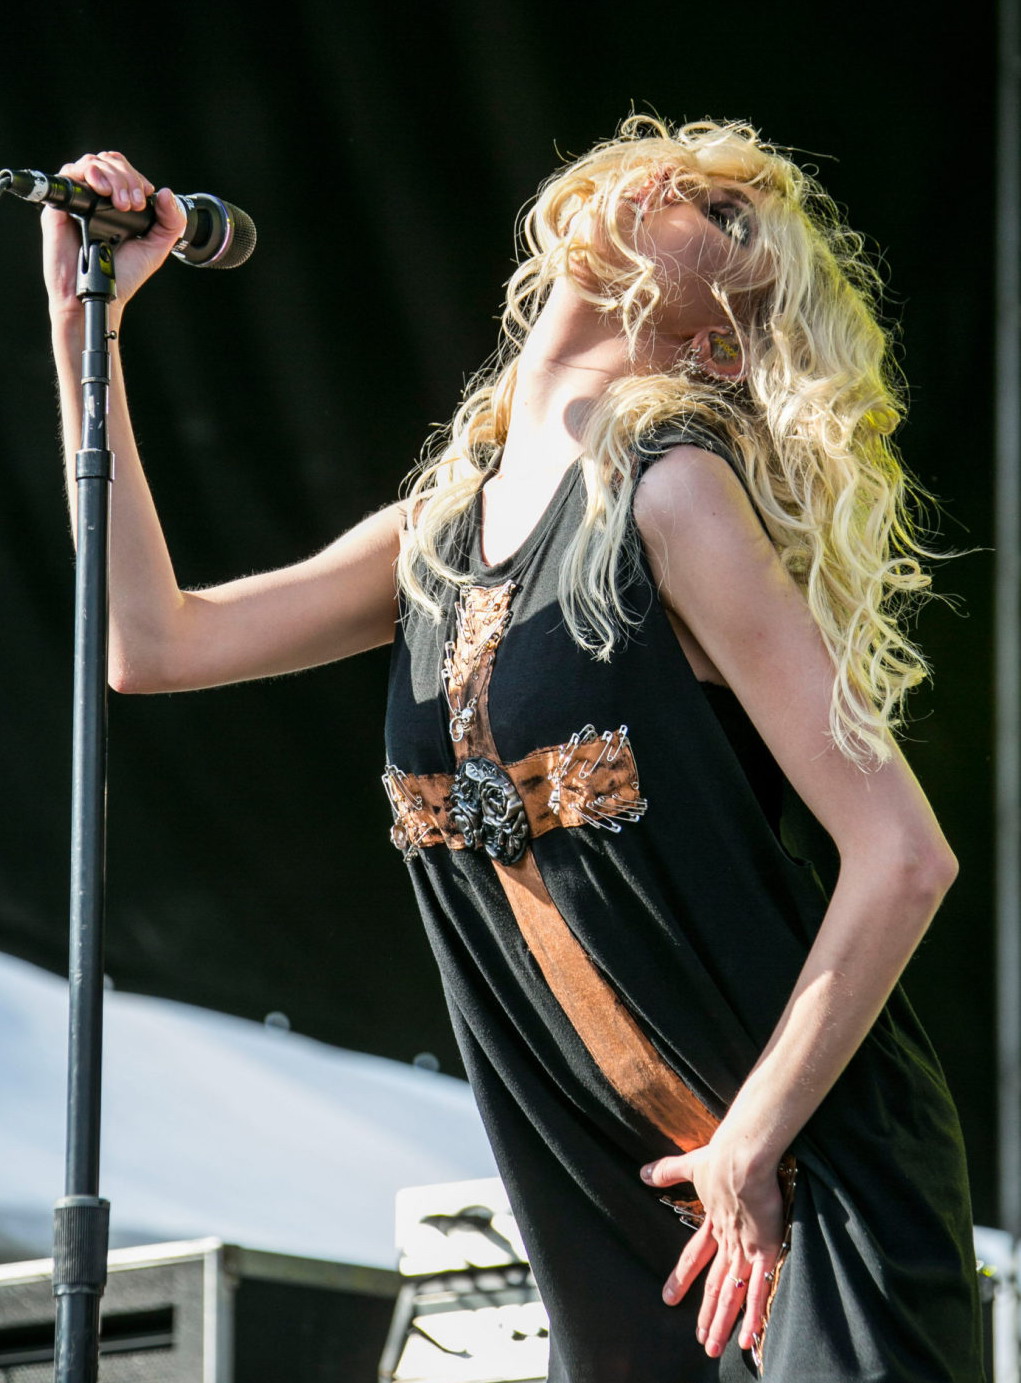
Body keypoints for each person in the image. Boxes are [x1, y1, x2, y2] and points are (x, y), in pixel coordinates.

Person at [42, 116, 983, 1381]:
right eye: (678, 173)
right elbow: (151, 643)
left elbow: (903, 856)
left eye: (727, 214)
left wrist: (752, 1143)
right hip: (617, 1208)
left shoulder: (675, 493)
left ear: (715, 344)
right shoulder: (434, 536)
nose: (671, 182)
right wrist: (87, 327)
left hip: (813, 1179)